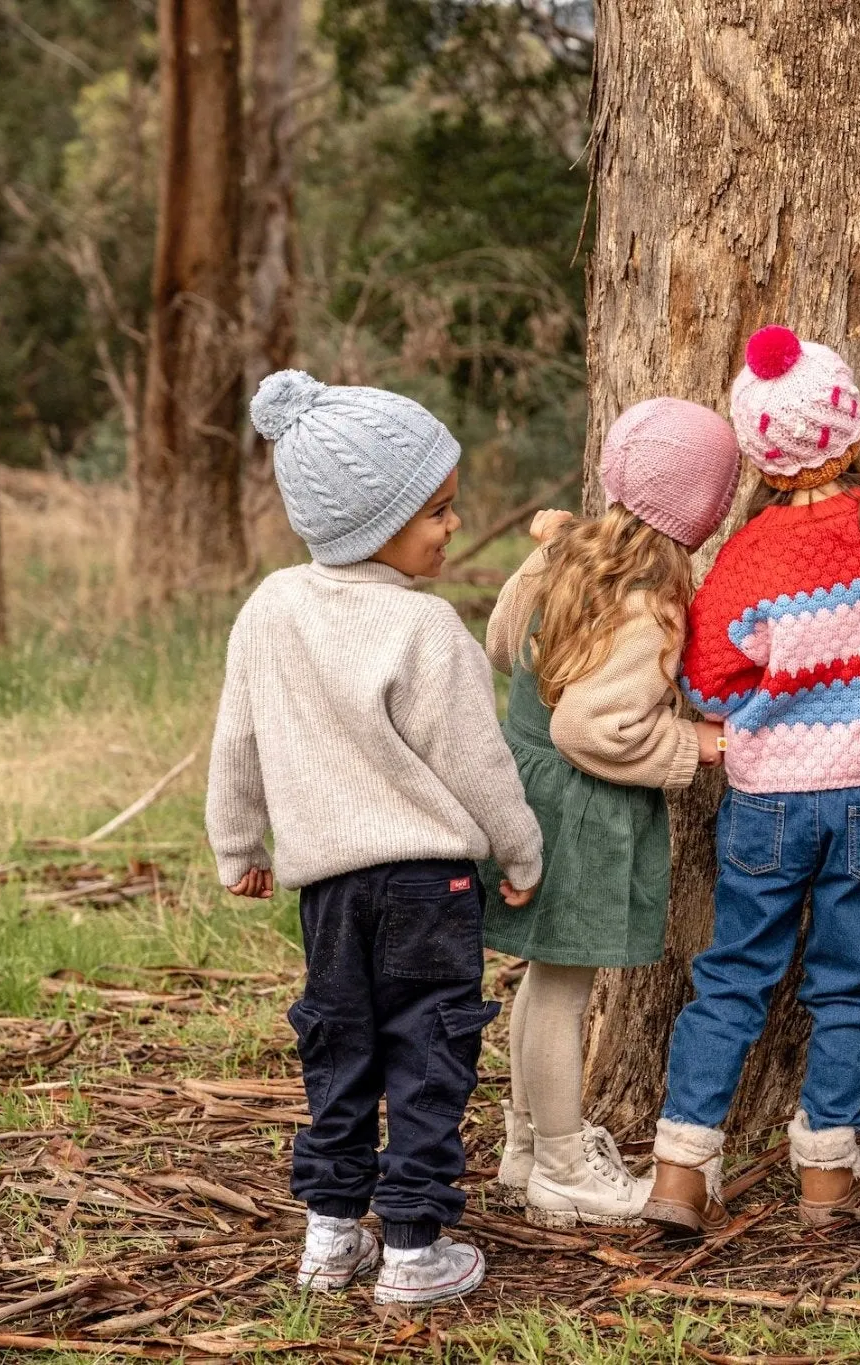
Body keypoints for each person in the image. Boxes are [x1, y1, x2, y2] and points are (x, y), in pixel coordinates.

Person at [208, 370, 541, 1306]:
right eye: (436, 511)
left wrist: (237, 844)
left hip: (330, 893)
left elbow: (239, 733)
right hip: (431, 886)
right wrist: (520, 850)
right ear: (370, 521)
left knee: (340, 1046)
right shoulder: (427, 626)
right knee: (431, 1053)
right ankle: (413, 1245)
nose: (451, 525)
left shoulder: (271, 607)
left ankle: (328, 1232)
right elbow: (480, 763)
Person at [640, 325, 860, 1236]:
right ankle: (825, 1176)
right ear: (848, 437)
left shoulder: (748, 560)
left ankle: (681, 1169)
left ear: (761, 461)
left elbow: (704, 680)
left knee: (731, 976)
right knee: (847, 985)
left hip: (768, 799)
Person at [482, 397, 740, 1228]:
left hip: (527, 793)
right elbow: (592, 727)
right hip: (579, 809)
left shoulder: (568, 557)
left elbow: (499, 647)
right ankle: (562, 1165)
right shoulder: (648, 602)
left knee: (541, 984)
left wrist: (536, 560)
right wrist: (691, 746)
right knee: (563, 990)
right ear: (705, 510)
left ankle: (526, 1146)